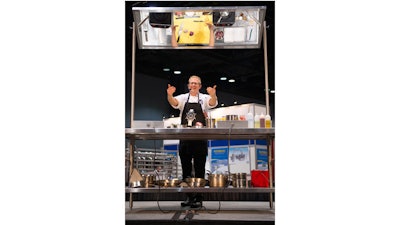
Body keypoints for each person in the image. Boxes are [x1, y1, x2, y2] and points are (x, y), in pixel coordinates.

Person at [166, 75, 218, 207]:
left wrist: (213, 94)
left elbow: (212, 103)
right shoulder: (183, 98)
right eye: (191, 83)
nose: (193, 85)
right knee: (186, 169)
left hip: (200, 139)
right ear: (188, 85)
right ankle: (189, 197)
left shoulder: (205, 98)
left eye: (196, 83)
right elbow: (174, 103)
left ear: (200, 86)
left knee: (200, 169)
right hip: (185, 139)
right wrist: (170, 95)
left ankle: (199, 198)